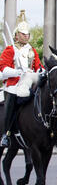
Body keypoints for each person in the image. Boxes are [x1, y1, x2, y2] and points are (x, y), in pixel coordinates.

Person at [0, 10, 44, 147]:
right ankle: (5, 134)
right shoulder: (10, 49)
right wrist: (17, 71)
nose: (26, 36)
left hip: (30, 82)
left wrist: (42, 72)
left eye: (27, 34)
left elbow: (38, 66)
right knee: (11, 103)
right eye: (23, 34)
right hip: (14, 85)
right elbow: (3, 68)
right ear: (16, 35)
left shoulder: (32, 50)